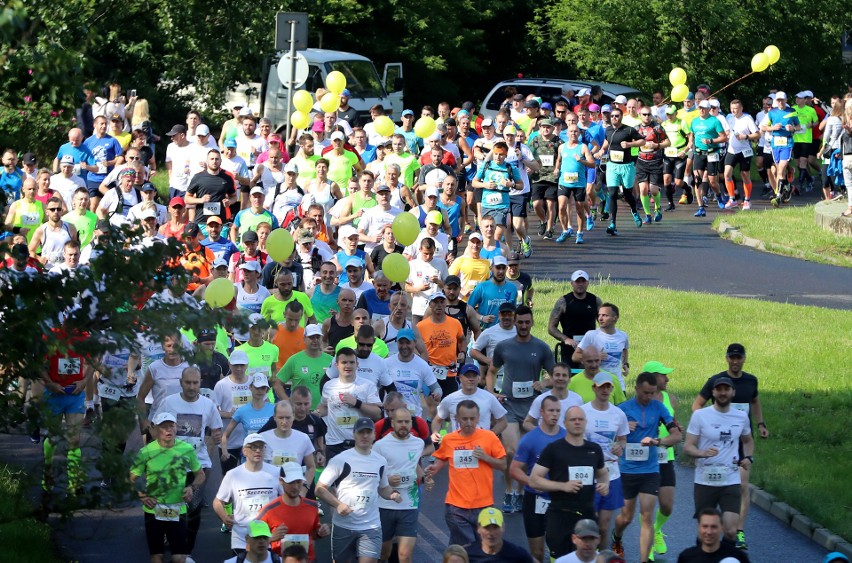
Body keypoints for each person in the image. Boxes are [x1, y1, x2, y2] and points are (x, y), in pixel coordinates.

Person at [691, 343, 768, 550]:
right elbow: (697, 404)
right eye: (732, 357)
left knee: (743, 486)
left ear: (744, 359)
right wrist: (704, 423)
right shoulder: (715, 381)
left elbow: (755, 401)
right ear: (727, 358)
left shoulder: (751, 380)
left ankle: (738, 531)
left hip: (739, 439)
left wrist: (760, 424)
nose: (735, 361)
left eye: (739, 358)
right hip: (717, 440)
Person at [487, 305, 555, 513]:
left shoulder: (542, 347)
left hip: (532, 409)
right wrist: (492, 393)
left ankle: (521, 492)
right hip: (508, 406)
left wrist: (544, 384)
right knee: (511, 451)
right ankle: (508, 492)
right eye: (520, 322)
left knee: (526, 453)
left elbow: (557, 376)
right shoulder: (504, 346)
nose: (523, 326)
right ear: (515, 322)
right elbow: (491, 372)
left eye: (527, 322)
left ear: (532, 322)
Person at [150, 366, 223, 557]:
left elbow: (216, 430)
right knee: (173, 505)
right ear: (181, 383)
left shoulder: (208, 405)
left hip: (198, 463)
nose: (192, 387)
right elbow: (153, 427)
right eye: (188, 383)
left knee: (194, 508)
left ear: (200, 383)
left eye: (195, 383)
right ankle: (174, 542)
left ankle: (187, 550)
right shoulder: (168, 402)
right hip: (172, 464)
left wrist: (215, 439)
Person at [610, 372, 682, 562]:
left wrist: (658, 441)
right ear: (637, 389)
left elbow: (676, 436)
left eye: (652, 393)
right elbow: (609, 437)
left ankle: (644, 560)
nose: (648, 397)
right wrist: (623, 428)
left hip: (650, 470)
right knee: (626, 517)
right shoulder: (622, 409)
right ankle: (616, 537)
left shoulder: (658, 408)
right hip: (627, 470)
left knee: (647, 516)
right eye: (645, 393)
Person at [315, 417, 402, 563]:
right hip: (344, 525)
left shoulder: (380, 461)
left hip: (371, 526)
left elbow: (383, 488)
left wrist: (393, 494)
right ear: (354, 434)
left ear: (374, 435)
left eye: (368, 432)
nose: (365, 436)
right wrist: (338, 505)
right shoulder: (340, 460)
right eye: (361, 432)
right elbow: (320, 489)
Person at [528, 406, 608, 559]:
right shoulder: (554, 449)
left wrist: (605, 485)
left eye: (580, 419)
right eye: (573, 419)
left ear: (585, 422)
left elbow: (603, 474)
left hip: (587, 516)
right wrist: (563, 486)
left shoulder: (594, 449)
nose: (577, 422)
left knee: (586, 558)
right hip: (560, 516)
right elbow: (534, 480)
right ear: (565, 423)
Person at [426, 400, 507, 547]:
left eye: (472, 418)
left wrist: (486, 457)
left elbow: (503, 465)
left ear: (478, 418)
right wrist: (434, 468)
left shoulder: (489, 437)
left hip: (484, 505)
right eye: (464, 419)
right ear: (456, 418)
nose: (469, 422)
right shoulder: (449, 439)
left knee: (470, 549)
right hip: (456, 506)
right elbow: (443, 458)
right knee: (469, 546)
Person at [683, 376, 754, 542]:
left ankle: (726, 559)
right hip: (705, 480)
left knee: (730, 531)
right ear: (713, 392)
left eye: (726, 389)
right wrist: (702, 453)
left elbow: (748, 441)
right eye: (719, 390)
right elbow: (688, 447)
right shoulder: (700, 416)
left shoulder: (741, 417)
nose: (723, 393)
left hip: (730, 479)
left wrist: (749, 458)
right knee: (706, 532)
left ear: (733, 392)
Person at [130, 411, 205, 563]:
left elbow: (200, 474)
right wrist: (142, 495)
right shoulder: (146, 452)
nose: (168, 430)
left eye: (171, 426)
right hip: (154, 509)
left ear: (176, 428)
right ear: (155, 429)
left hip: (178, 508)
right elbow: (133, 478)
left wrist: (191, 487)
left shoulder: (186, 449)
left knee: (179, 558)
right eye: (164, 427)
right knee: (157, 557)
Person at [510, 395, 566, 561]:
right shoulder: (530, 439)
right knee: (538, 552)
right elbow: (514, 470)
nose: (555, 415)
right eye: (551, 411)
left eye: (557, 411)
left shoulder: (566, 437)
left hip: (558, 499)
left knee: (558, 549)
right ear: (541, 412)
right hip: (535, 499)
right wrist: (531, 482)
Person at [372, 407, 427, 563]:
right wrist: (387, 480)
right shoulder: (380, 446)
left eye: (407, 421)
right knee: (383, 554)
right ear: (392, 423)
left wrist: (426, 478)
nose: (404, 425)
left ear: (411, 423)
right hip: (385, 505)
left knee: (405, 555)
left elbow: (413, 465)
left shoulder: (418, 444)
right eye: (400, 422)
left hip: (409, 504)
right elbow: (372, 474)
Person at [581, 373, 629, 550]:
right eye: (601, 386)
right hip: (588, 473)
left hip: (611, 473)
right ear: (594, 388)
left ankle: (600, 556)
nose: (605, 390)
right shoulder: (583, 412)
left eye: (608, 387)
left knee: (603, 525)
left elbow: (622, 439)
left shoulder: (618, 414)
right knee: (588, 524)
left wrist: (620, 447)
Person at [214, 433, 282, 555]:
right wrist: (224, 517)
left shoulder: (276, 472)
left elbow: (286, 499)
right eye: (253, 447)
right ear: (244, 451)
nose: (258, 450)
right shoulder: (233, 474)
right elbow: (218, 501)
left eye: (261, 447)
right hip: (242, 534)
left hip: (269, 534)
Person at [315, 348, 382, 460]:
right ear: (337, 365)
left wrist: (357, 403)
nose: (348, 366)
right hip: (334, 444)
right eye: (344, 362)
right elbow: (324, 406)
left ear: (357, 364)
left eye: (351, 362)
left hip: (359, 444)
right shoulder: (329, 386)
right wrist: (316, 414)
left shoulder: (367, 386)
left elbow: (377, 413)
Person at [257, 462, 330, 561]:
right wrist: (271, 538)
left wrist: (321, 532)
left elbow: (312, 534)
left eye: (299, 482)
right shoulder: (268, 510)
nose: (295, 487)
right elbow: (252, 541)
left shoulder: (312, 506)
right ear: (281, 481)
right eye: (291, 482)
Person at [548, 270, 601, 369]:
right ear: (572, 283)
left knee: (590, 378)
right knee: (569, 379)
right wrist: (565, 339)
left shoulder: (595, 300)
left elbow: (604, 324)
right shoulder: (563, 301)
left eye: (583, 281)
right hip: (569, 347)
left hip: (590, 348)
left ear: (588, 283)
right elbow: (551, 328)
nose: (580, 284)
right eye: (577, 281)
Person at [417, 292, 465, 398]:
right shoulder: (421, 326)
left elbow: (462, 340)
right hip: (430, 371)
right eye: (435, 302)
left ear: (446, 304)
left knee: (449, 405)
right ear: (430, 305)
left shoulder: (455, 323)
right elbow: (415, 347)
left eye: (442, 302)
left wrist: (462, 352)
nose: (439, 305)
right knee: (432, 406)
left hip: (450, 371)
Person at [383, 328, 440, 417]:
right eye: (401, 343)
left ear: (415, 342)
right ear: (397, 343)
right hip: (391, 418)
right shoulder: (386, 363)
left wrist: (437, 394)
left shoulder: (422, 365)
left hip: (413, 418)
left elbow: (435, 387)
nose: (404, 346)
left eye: (408, 342)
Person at [572, 303, 629, 391]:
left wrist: (625, 364)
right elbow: (575, 356)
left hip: (618, 385)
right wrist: (596, 357)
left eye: (605, 315)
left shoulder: (623, 336)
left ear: (615, 318)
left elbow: (625, 350)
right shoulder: (591, 335)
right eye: (599, 315)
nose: (600, 318)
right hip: (599, 386)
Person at [259, 400, 316, 482]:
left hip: (293, 490)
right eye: (281, 418)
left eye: (288, 418)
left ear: (293, 416)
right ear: (274, 417)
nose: (284, 422)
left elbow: (311, 466)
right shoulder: (262, 438)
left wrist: (304, 488)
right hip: (270, 490)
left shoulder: (303, 438)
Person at [273, 324, 331, 404]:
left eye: (318, 337)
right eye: (311, 337)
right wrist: (288, 402)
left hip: (324, 412)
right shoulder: (295, 360)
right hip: (300, 413)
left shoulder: (330, 360)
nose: (315, 340)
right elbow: (277, 384)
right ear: (304, 339)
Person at [522, 362, 583, 431]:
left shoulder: (577, 399)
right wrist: (541, 433)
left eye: (564, 375)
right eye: (557, 375)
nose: (560, 378)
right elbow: (527, 423)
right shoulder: (541, 399)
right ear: (551, 378)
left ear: (569, 379)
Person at [676, 508, 750, 563]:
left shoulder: (737, 556)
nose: (709, 532)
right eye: (705, 526)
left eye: (713, 527)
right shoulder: (686, 557)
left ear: (721, 528)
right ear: (699, 528)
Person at [464, 507, 535, 563]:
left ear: (503, 527)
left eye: (495, 527)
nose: (491, 533)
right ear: (478, 528)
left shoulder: (518, 554)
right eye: (486, 527)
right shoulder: (467, 554)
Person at [468, 256, 518, 329]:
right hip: (485, 332)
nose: (501, 271)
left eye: (503, 268)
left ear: (506, 269)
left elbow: (514, 310)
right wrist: (481, 318)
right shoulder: (482, 287)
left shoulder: (512, 288)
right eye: (498, 268)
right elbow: (468, 308)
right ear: (491, 268)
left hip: (506, 332)